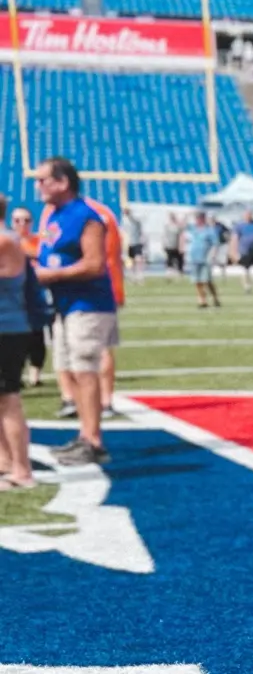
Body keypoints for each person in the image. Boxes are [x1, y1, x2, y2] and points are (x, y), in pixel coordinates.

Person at [33, 158, 119, 468]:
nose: (37, 186)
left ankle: (93, 440)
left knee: (85, 370)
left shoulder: (86, 216)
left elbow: (95, 264)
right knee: (73, 369)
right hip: (67, 305)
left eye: (43, 180)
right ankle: (85, 435)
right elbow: (51, 256)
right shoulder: (56, 216)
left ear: (63, 182)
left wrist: (47, 276)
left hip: (88, 305)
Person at [0, 215, 45, 486]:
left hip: (6, 328)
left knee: (8, 398)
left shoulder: (6, 240)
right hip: (9, 326)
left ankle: (22, 469)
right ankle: (5, 461)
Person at [234, 209, 253, 291]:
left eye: (250, 215)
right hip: (245, 251)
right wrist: (234, 252)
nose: (248, 216)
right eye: (247, 215)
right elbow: (235, 239)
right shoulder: (240, 226)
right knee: (245, 269)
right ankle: (247, 285)